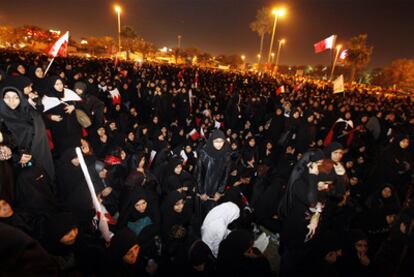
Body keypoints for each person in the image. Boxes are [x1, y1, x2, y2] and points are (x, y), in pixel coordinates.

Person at [0, 86, 55, 179]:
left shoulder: (27, 113)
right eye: (7, 97)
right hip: (19, 167)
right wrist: (16, 156)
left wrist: (37, 101)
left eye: (16, 97)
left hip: (39, 157)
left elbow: (40, 114)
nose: (11, 101)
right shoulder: (2, 119)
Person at [195, 129, 231, 219]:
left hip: (216, 192)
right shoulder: (204, 154)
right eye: (216, 141)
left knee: (214, 216)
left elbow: (225, 175)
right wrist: (202, 192)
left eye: (221, 141)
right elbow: (199, 174)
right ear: (211, 141)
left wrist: (219, 191)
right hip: (205, 191)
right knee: (203, 215)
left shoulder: (226, 155)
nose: (219, 144)